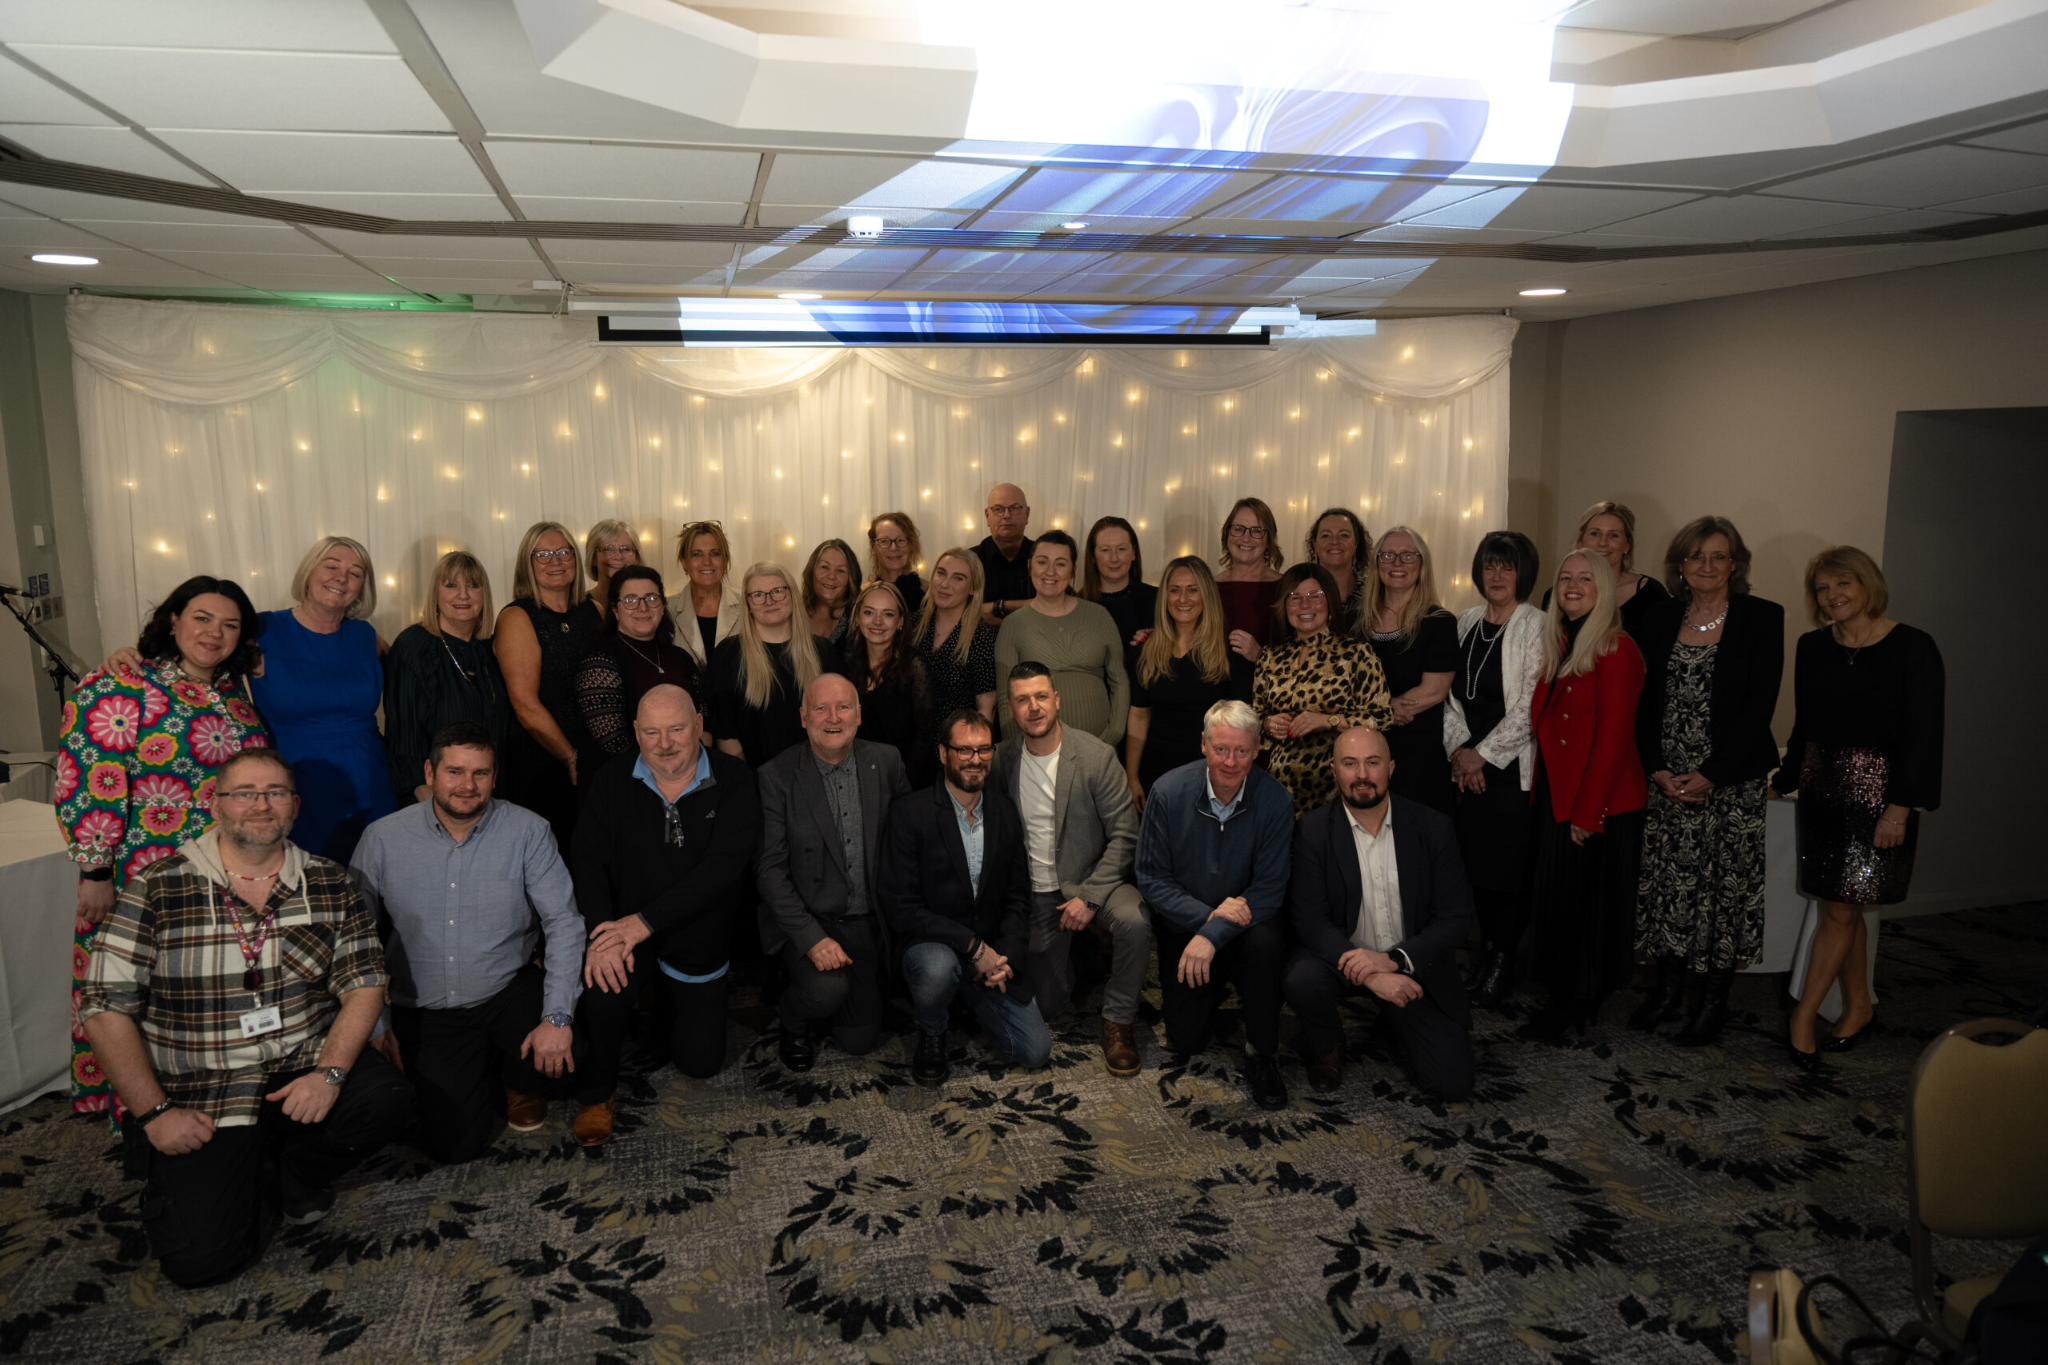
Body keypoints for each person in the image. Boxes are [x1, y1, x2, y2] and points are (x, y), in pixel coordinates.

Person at [78, 748, 411, 1287]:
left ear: (295, 807)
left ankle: (295, 1169)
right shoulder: (158, 886)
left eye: (275, 793)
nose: (261, 805)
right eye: (244, 793)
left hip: (301, 1065)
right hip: (202, 1087)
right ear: (215, 805)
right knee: (201, 1263)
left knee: (386, 1100)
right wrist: (155, 1113)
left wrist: (330, 1074)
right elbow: (102, 1007)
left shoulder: (330, 882)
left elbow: (366, 983)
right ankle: (229, 1164)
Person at [59, 576, 273, 1121]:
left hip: (222, 875)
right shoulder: (118, 687)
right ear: (172, 620)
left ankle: (215, 1105)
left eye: (229, 625)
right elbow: (88, 778)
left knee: (202, 992)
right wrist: (97, 870)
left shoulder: (235, 696)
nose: (214, 633)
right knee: (134, 992)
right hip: (143, 878)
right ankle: (140, 1115)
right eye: (202, 618)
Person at [350, 722, 584, 1162]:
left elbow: (564, 922)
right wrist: (376, 1025)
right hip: (428, 1009)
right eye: (455, 771)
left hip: (506, 990)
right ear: (430, 772)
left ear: (495, 777)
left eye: (480, 773)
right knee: (455, 1146)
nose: (467, 785)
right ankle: (486, 1074)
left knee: (573, 1061)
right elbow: (355, 941)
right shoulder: (381, 839)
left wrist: (557, 1017)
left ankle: (518, 1078)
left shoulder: (528, 830)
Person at [570, 686, 762, 1147]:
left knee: (700, 1063)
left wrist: (643, 921)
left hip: (698, 935)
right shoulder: (611, 779)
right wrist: (602, 934)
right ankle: (597, 1095)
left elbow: (722, 868)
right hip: (622, 935)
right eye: (651, 732)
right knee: (601, 992)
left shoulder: (735, 779)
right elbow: (586, 861)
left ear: (699, 725)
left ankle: (660, 1010)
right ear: (635, 733)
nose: (665, 743)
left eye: (677, 729)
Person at [1774, 546, 1943, 1065]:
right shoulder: (1811, 646)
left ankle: (1803, 1017)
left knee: (1843, 909)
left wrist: (1900, 808)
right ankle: (1861, 1006)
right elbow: (1806, 726)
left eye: (1843, 584)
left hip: (1878, 798)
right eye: (1823, 589)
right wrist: (1783, 780)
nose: (1833, 596)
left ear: (1867, 584)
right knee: (1841, 907)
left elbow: (1924, 735)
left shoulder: (1913, 646)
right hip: (1823, 792)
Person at [1630, 517, 1784, 1047]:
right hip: (1667, 779)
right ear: (1680, 566)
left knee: (1723, 892)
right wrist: (1657, 768)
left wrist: (1712, 775)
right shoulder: (1656, 617)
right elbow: (1642, 703)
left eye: (1718, 556)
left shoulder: (1762, 618)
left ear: (1734, 565)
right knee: (1671, 889)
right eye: (1695, 557)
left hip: (1729, 782)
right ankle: (1669, 992)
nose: (1706, 566)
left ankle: (1712, 1001)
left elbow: (1758, 706)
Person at [1282, 728, 1475, 1101]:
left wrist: (1393, 962)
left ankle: (1392, 1018)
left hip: (1412, 962)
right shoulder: (1313, 831)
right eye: (1350, 764)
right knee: (1301, 978)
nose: (1362, 775)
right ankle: (1328, 1044)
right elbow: (1309, 920)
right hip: (1343, 956)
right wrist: (1372, 973)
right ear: (1335, 770)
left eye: (1372, 763)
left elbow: (1454, 919)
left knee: (1451, 1084)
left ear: (1390, 768)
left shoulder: (1432, 828)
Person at [1135, 700, 1295, 1111]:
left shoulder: (1275, 799)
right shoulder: (1167, 792)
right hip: (1188, 923)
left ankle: (1262, 1053)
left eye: (1242, 751)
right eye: (1221, 749)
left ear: (1257, 749)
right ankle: (1216, 982)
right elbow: (1152, 877)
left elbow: (1271, 887)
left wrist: (1215, 933)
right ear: (1203, 745)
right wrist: (1206, 921)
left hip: (1249, 923)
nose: (1230, 761)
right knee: (1186, 1040)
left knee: (1266, 945)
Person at [993, 662, 1151, 1076]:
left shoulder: (1095, 756)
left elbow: (1126, 835)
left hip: (1093, 876)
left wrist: (1090, 896)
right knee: (1048, 1005)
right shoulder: (1002, 760)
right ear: (1011, 709)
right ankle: (1087, 953)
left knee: (1135, 921)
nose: (1034, 707)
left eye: (1041, 696)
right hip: (1038, 893)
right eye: (1023, 700)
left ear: (1057, 700)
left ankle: (1118, 1020)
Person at [878, 709, 1050, 1084]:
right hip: (931, 945)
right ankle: (933, 1030)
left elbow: (1018, 897)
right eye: (964, 750)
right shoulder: (910, 813)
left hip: (988, 951)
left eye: (984, 750)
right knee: (938, 971)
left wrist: (1005, 958)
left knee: (1034, 1052)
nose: (975, 760)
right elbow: (900, 906)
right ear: (943, 754)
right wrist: (972, 947)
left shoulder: (1004, 811)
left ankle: (966, 999)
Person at [1522, 549, 1647, 1042]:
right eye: (1565, 577)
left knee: (1589, 907)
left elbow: (1613, 739)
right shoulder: (1562, 642)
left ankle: (1579, 1004)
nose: (1572, 585)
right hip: (1561, 790)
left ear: (1605, 589)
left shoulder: (1617, 648)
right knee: (1562, 901)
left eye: (1585, 578)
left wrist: (1588, 813)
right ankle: (1565, 997)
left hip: (1602, 800)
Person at [756, 675, 911, 1071]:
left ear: (859, 716)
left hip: (870, 920)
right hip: (812, 922)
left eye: (843, 707)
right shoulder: (776, 775)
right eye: (820, 708)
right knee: (826, 991)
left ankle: (858, 995)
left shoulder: (887, 760)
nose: (832, 718)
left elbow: (909, 846)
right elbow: (770, 872)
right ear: (803, 716)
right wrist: (811, 939)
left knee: (858, 1041)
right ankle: (792, 1019)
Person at [239, 535, 395, 865]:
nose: (342, 578)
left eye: (355, 573)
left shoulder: (365, 635)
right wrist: (135, 657)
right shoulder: (262, 629)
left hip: (371, 786)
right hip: (296, 790)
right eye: (332, 566)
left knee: (374, 895)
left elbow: (414, 681)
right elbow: (201, 658)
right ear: (309, 572)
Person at [1442, 531, 1545, 1009]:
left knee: (1508, 873)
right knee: (1478, 870)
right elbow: (1447, 696)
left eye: (1507, 566)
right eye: (1489, 565)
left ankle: (1503, 959)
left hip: (1510, 769)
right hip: (1468, 767)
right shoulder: (1463, 621)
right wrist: (1462, 750)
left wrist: (1483, 754)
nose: (1497, 575)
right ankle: (1486, 953)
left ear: (1523, 571)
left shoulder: (1539, 626)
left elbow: (1530, 706)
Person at [1253, 563, 1393, 817]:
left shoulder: (1356, 653)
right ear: (1284, 606)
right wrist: (1267, 724)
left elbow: (1381, 717)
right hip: (1280, 792)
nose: (1305, 605)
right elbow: (1255, 715)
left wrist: (1328, 720)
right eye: (1295, 598)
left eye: (1315, 597)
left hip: (1336, 790)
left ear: (1330, 602)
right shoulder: (1270, 655)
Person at [494, 521, 601, 854]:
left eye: (563, 551)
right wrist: (571, 759)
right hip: (544, 763)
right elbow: (525, 704)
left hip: (597, 758)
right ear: (527, 564)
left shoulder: (593, 610)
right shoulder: (517, 617)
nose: (555, 561)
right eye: (543, 554)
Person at [1125, 556, 1254, 810]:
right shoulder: (1145, 651)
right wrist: (1132, 777)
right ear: (1165, 597)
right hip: (1156, 775)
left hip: (1211, 777)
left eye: (1192, 590)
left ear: (1206, 595)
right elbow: (1139, 717)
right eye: (1174, 590)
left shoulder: (1231, 654)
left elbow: (1241, 729)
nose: (1183, 599)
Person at [383, 551, 508, 809]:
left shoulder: (489, 650)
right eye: (451, 585)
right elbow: (402, 732)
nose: (463, 595)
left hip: (490, 795)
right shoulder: (413, 646)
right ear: (435, 595)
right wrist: (420, 789)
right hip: (434, 799)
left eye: (473, 586)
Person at [993, 529, 1130, 746]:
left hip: (1101, 749)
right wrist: (1021, 750)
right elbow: (1005, 698)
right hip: (1036, 752)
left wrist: (1111, 737)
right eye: (1042, 562)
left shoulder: (1099, 615)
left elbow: (1120, 681)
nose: (1050, 572)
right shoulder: (1013, 625)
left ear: (1073, 571)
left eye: (1060, 563)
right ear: (1030, 566)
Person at [705, 561, 844, 767]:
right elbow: (726, 733)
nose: (768, 601)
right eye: (758, 595)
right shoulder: (728, 654)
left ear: (792, 596)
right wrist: (750, 785)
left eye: (777, 591)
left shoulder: (823, 652)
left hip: (817, 775)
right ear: (748, 604)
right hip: (753, 778)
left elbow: (837, 722)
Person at [1360, 526, 1458, 814]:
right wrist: (1384, 708)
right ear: (1376, 564)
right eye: (1388, 555)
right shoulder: (1358, 622)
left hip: (1418, 754)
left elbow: (1434, 691)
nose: (1397, 563)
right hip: (1366, 748)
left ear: (1422, 565)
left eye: (1408, 556)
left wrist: (1380, 710)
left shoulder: (1439, 622)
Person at [573, 564, 702, 777]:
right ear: (615, 609)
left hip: (687, 775)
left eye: (651, 598)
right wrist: (670, 771)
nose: (643, 607)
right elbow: (613, 743)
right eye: (631, 600)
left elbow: (702, 719)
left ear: (662, 605)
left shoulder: (680, 657)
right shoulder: (599, 662)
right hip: (624, 783)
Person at [843, 580, 934, 786]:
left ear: (900, 621)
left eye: (888, 614)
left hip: (906, 780)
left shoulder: (914, 665)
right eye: (869, 612)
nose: (877, 621)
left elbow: (924, 736)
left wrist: (901, 784)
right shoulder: (846, 664)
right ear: (857, 617)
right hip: (857, 780)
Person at [1543, 501, 1670, 646]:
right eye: (1595, 533)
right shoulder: (1559, 595)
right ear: (1580, 541)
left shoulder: (1652, 594)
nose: (1602, 543)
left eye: (1614, 535)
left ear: (1627, 544)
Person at [913, 547, 1000, 735]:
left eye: (958, 578)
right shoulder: (914, 623)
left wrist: (975, 752)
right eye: (941, 573)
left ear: (972, 588)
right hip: (912, 740)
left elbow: (986, 708)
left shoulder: (981, 635)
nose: (945, 584)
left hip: (957, 742)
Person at [1214, 497, 1285, 665]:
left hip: (1266, 687)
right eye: (1238, 529)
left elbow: (1298, 653)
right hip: (1214, 686)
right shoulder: (1209, 586)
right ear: (1227, 533)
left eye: (1257, 530)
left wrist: (1260, 655)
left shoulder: (1285, 587)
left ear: (1269, 538)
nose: (1246, 538)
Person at [1081, 515, 1156, 669]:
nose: (1114, 558)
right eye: (1105, 550)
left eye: (1121, 549)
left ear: (1133, 553)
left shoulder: (1159, 599)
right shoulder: (1076, 603)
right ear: (1093, 556)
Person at [669, 519, 744, 671]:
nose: (707, 561)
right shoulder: (665, 610)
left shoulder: (747, 605)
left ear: (726, 559)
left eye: (715, 553)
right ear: (684, 563)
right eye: (697, 554)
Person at [1304, 507, 1372, 636]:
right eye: (1326, 536)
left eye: (1344, 535)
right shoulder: (1298, 590)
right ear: (1314, 544)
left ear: (1356, 543)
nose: (1334, 541)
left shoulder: (1373, 592)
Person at [975, 482, 1036, 625]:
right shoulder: (970, 561)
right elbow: (962, 612)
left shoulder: (1044, 557)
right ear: (987, 515)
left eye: (1014, 508)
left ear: (1026, 514)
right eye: (998, 509)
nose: (1007, 515)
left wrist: (996, 607)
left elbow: (1055, 604)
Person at [866, 512, 926, 622]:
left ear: (911, 544)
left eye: (901, 540)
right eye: (884, 541)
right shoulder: (862, 594)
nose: (893, 548)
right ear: (873, 546)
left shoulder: (931, 594)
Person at [801, 537, 861, 646]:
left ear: (851, 579)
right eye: (824, 567)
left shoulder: (860, 620)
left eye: (841, 570)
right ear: (811, 571)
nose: (832, 576)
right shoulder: (794, 614)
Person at [585, 518, 642, 619]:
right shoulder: (578, 607)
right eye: (608, 549)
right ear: (593, 558)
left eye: (626, 549)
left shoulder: (649, 604)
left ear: (637, 557)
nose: (618, 556)